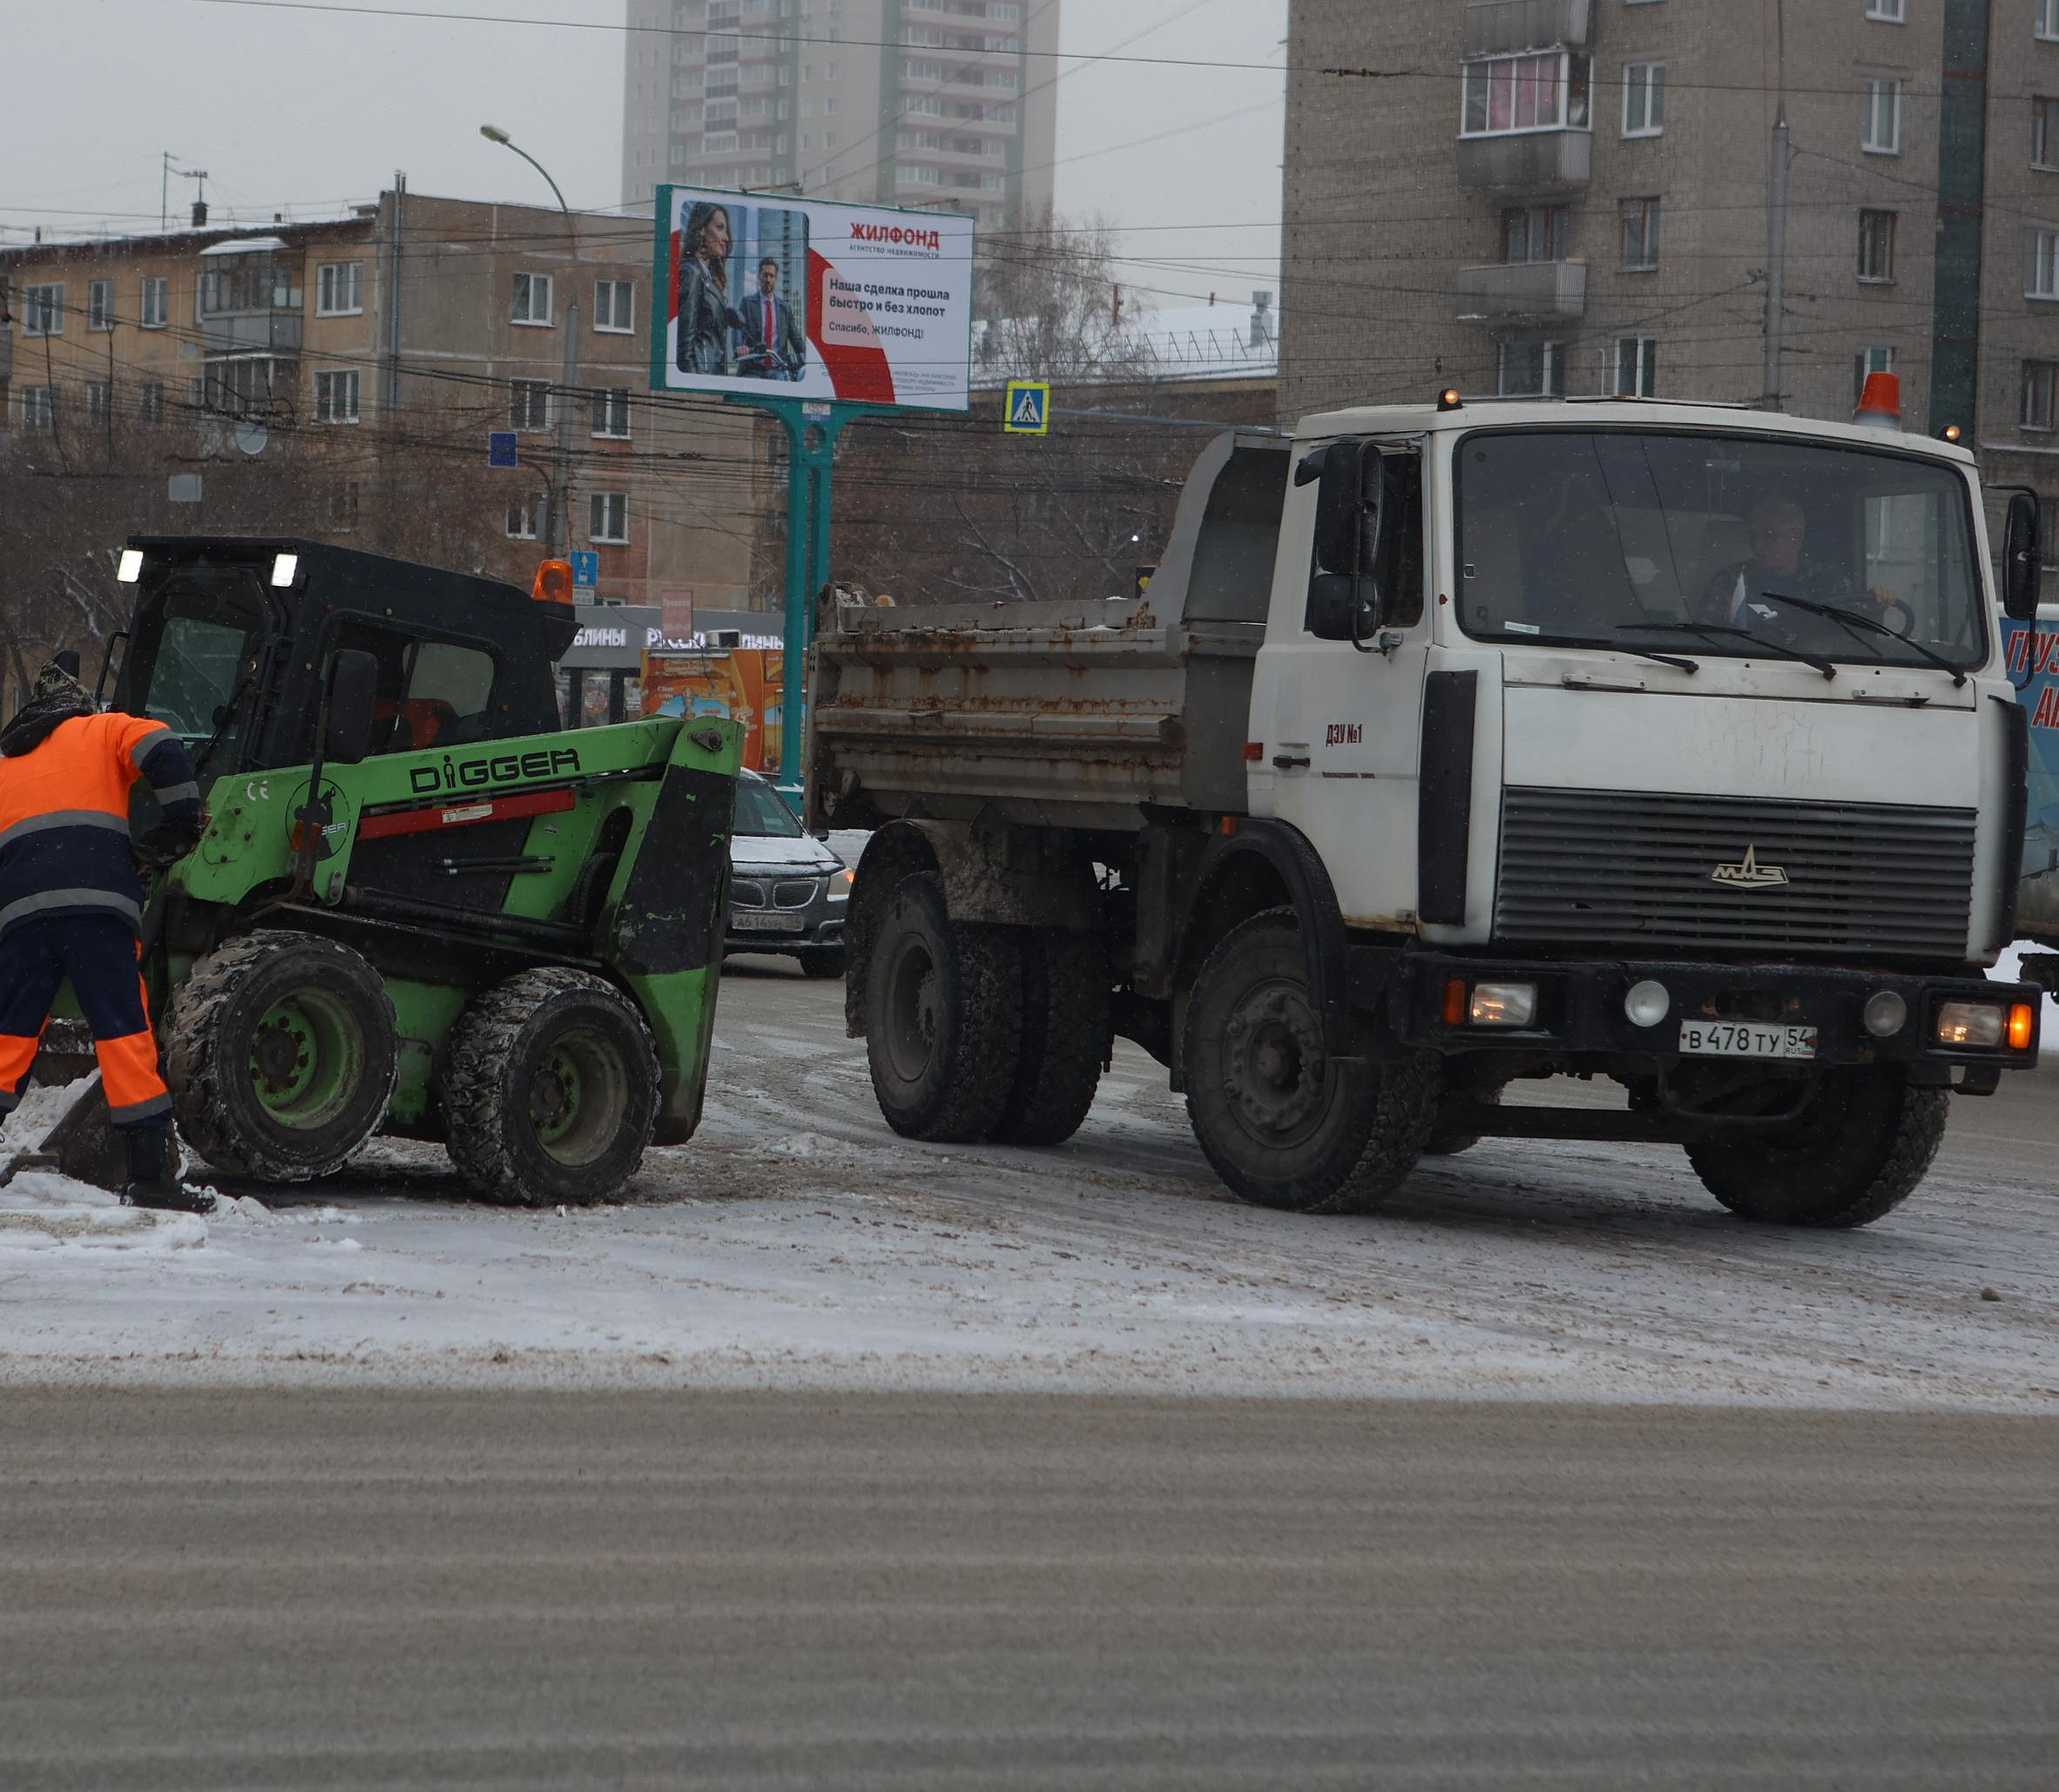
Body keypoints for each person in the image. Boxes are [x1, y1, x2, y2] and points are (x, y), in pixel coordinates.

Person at [0, 660, 209, 1212]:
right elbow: (161, 745)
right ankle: (149, 1178)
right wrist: (183, 819)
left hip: (19, 913)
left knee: (8, 1036)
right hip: (97, 905)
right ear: (77, 704)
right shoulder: (105, 727)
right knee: (122, 1034)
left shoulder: (4, 763)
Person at [1702, 493, 1895, 628]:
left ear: (1796, 537)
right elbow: (1710, 640)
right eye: (1753, 536)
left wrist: (1875, 611)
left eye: (1769, 535)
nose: (1758, 545)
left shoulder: (1829, 580)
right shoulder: (1730, 581)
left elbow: (1856, 637)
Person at [676, 201, 746, 378]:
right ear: (701, 229)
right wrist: (693, 384)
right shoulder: (691, 272)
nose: (726, 238)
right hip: (701, 375)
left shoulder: (708, 278)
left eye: (726, 230)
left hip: (712, 376)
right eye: (720, 228)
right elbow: (685, 342)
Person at [736, 256, 807, 381]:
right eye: (765, 275)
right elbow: (737, 329)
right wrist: (739, 347)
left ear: (776, 278)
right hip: (753, 368)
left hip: (778, 368)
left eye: (771, 276)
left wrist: (808, 357)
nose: (768, 279)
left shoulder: (785, 308)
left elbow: (795, 338)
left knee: (784, 384)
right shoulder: (747, 303)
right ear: (759, 276)